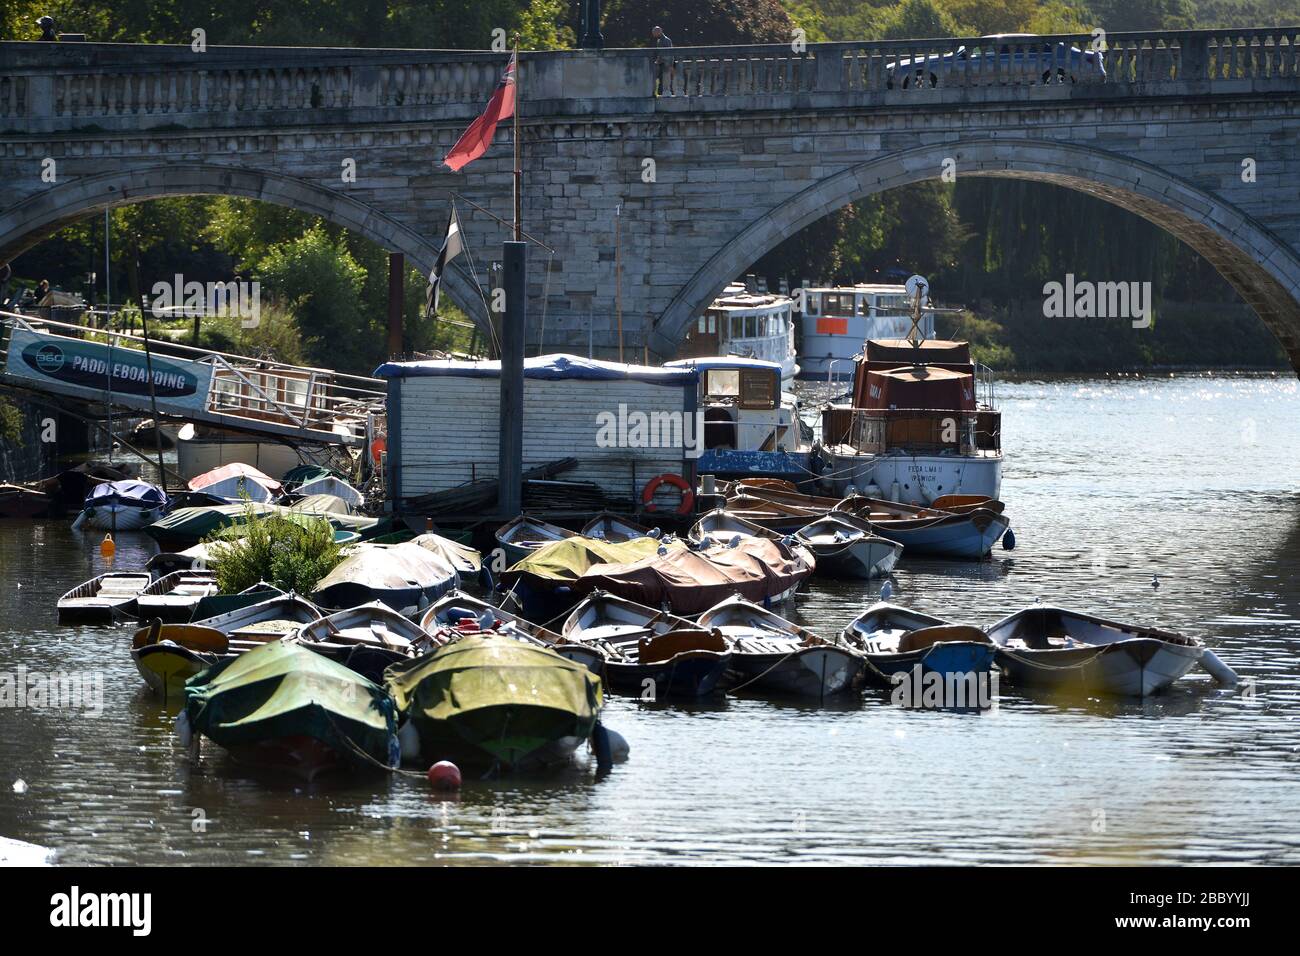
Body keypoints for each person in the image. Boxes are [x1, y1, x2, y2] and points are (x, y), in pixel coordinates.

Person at [652, 26, 674, 96]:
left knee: (665, 80)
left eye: (654, 33)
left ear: (659, 32)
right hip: (661, 63)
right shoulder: (659, 40)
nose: (653, 34)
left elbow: (670, 54)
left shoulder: (666, 40)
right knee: (661, 80)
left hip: (666, 64)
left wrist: (670, 65)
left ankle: (664, 94)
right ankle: (660, 93)